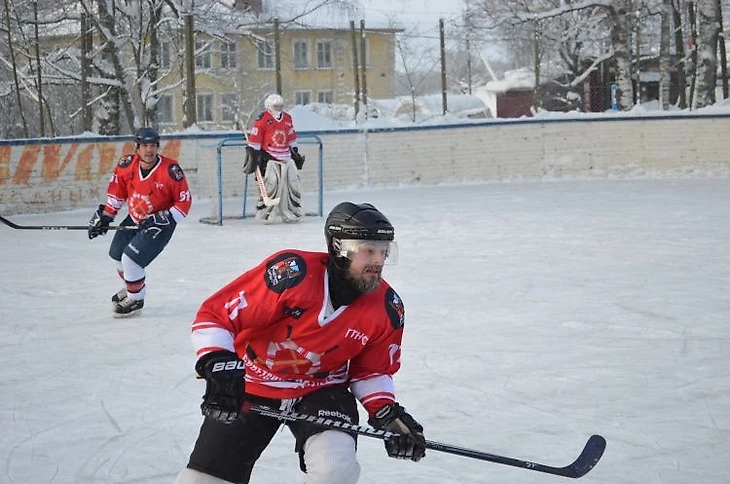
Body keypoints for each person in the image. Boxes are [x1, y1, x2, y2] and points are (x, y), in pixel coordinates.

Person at [175, 202, 426, 484]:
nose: (377, 261)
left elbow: (373, 370)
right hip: (253, 383)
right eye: (368, 250)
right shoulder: (290, 274)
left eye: (383, 252)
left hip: (322, 390)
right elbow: (216, 316)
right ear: (337, 248)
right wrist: (217, 362)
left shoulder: (387, 308)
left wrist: (385, 411)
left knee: (336, 470)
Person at [87, 127, 192, 317]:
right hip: (135, 218)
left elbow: (184, 202)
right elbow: (117, 194)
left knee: (130, 259)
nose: (149, 150)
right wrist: (106, 217)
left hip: (159, 226)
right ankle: (132, 287)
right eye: (144, 146)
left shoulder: (170, 170)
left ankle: (136, 299)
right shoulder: (126, 166)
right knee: (117, 254)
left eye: (152, 145)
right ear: (137, 147)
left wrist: (165, 218)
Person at [243, 93, 306, 223]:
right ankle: (265, 214)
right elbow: (255, 140)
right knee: (271, 185)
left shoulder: (287, 118)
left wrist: (295, 152)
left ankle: (291, 213)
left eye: (280, 106)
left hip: (287, 157)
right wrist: (253, 156)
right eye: (275, 106)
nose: (278, 108)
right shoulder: (262, 120)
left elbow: (291, 136)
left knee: (293, 185)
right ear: (269, 106)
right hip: (270, 158)